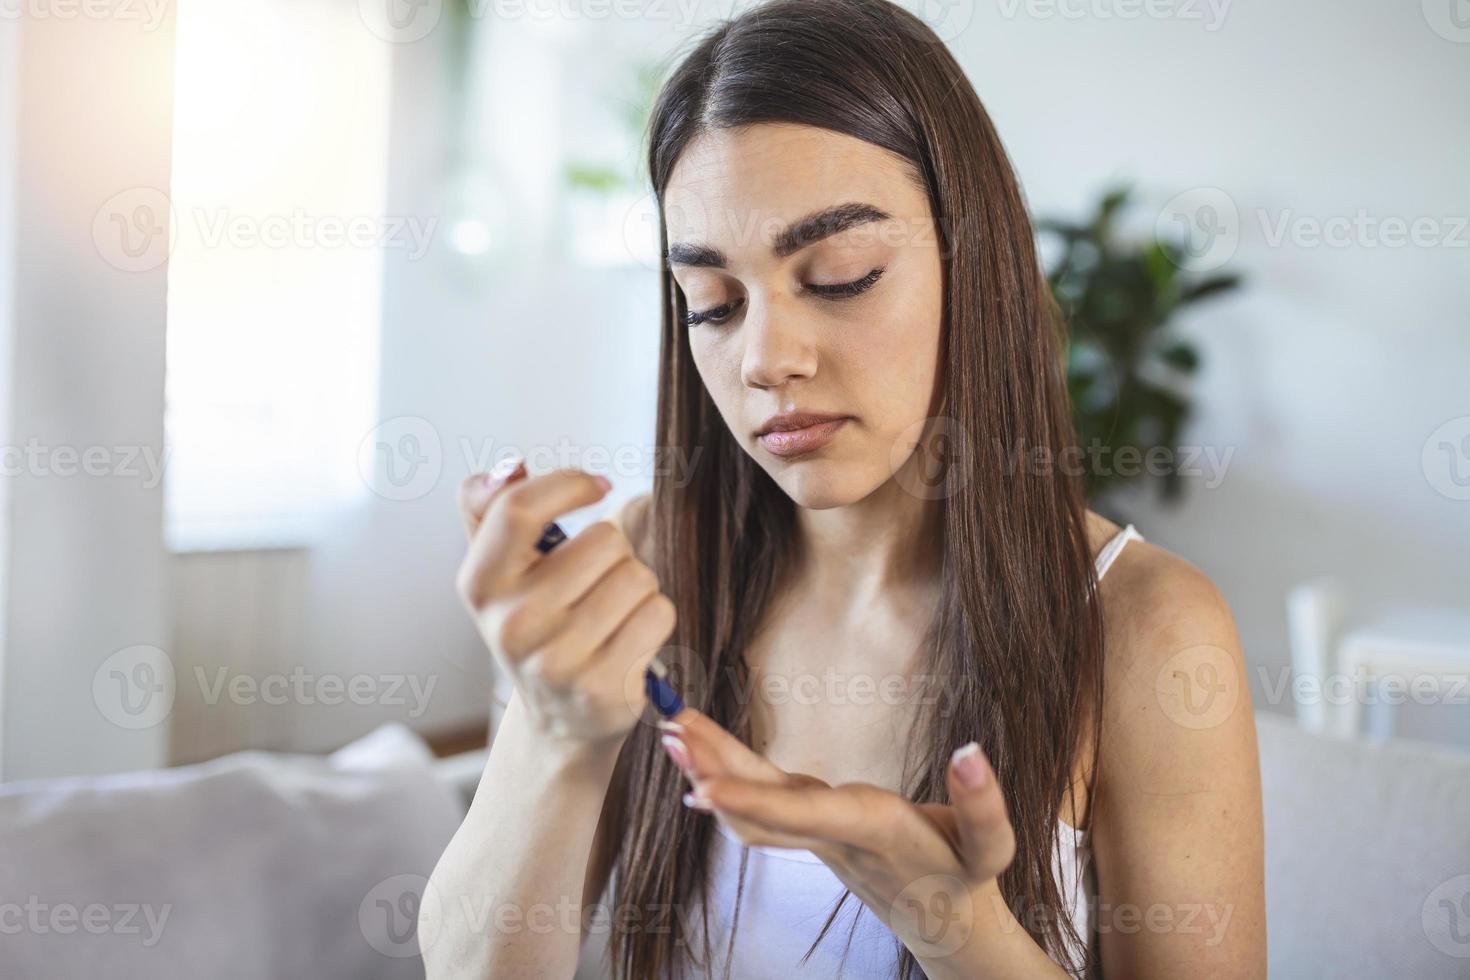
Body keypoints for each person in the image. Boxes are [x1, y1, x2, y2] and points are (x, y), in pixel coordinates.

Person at [425, 1, 1265, 977]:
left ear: (973, 259)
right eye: (715, 303)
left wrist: (956, 927)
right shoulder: (638, 575)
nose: (767, 359)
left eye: (840, 275)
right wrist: (554, 735)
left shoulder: (1149, 629)